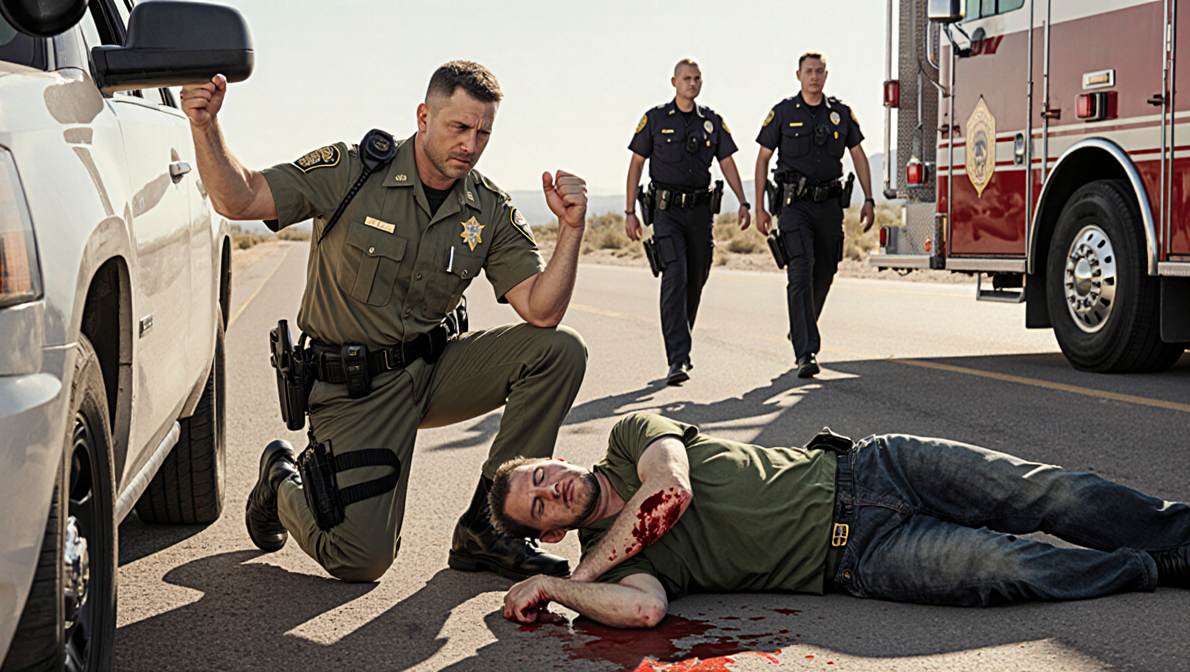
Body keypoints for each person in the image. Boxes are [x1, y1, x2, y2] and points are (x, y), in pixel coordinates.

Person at [181, 61, 590, 582]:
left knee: (559, 350)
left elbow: (542, 308)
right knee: (361, 559)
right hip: (355, 390)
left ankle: (490, 529)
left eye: (483, 132)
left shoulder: (486, 208)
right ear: (423, 116)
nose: (471, 143)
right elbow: (237, 198)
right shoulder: (352, 171)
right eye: (458, 127)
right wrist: (204, 125)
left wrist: (571, 230)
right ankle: (283, 482)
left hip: (433, 372)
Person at [489, 412, 1190, 628]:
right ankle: (1153, 566)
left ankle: (1175, 531)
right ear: (547, 531)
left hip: (875, 468)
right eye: (538, 503)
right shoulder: (619, 567)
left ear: (552, 457)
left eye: (539, 473)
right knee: (1002, 566)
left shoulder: (628, 436)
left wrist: (573, 574)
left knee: (1047, 492)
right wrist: (560, 590)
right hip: (859, 557)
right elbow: (642, 614)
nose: (550, 486)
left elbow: (670, 488)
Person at [624, 58, 751, 386]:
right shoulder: (654, 119)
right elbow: (636, 164)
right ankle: (678, 357)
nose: (692, 83)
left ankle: (681, 338)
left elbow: (727, 163)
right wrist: (629, 212)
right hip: (666, 212)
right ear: (674, 82)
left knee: (696, 278)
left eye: (697, 78)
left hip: (699, 212)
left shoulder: (712, 121)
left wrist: (744, 201)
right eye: (686, 78)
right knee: (675, 274)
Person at [754, 52, 876, 379]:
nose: (814, 77)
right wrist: (760, 206)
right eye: (809, 71)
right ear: (798, 75)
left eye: (820, 71)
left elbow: (859, 155)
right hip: (793, 206)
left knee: (826, 270)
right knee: (800, 269)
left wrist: (869, 198)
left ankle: (801, 326)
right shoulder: (782, 113)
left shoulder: (840, 113)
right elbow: (763, 158)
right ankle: (806, 351)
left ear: (826, 75)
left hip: (829, 205)